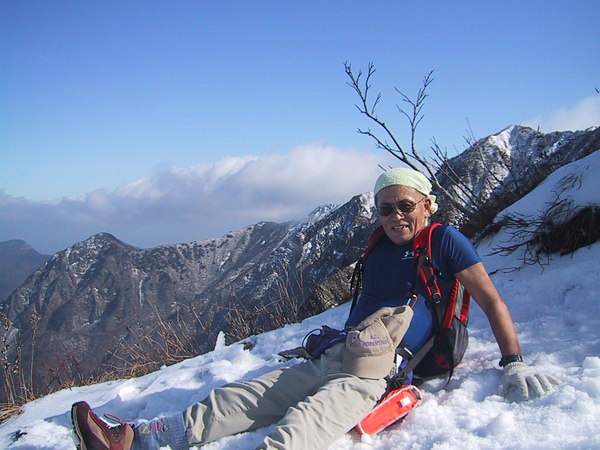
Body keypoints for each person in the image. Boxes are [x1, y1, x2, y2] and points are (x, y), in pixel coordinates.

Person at [71, 168, 560, 450]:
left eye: (405, 205)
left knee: (300, 427)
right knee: (240, 396)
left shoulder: (444, 241)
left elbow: (491, 299)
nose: (395, 216)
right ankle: (137, 439)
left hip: (380, 373)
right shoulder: (378, 246)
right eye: (385, 208)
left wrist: (513, 362)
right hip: (342, 353)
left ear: (427, 205)